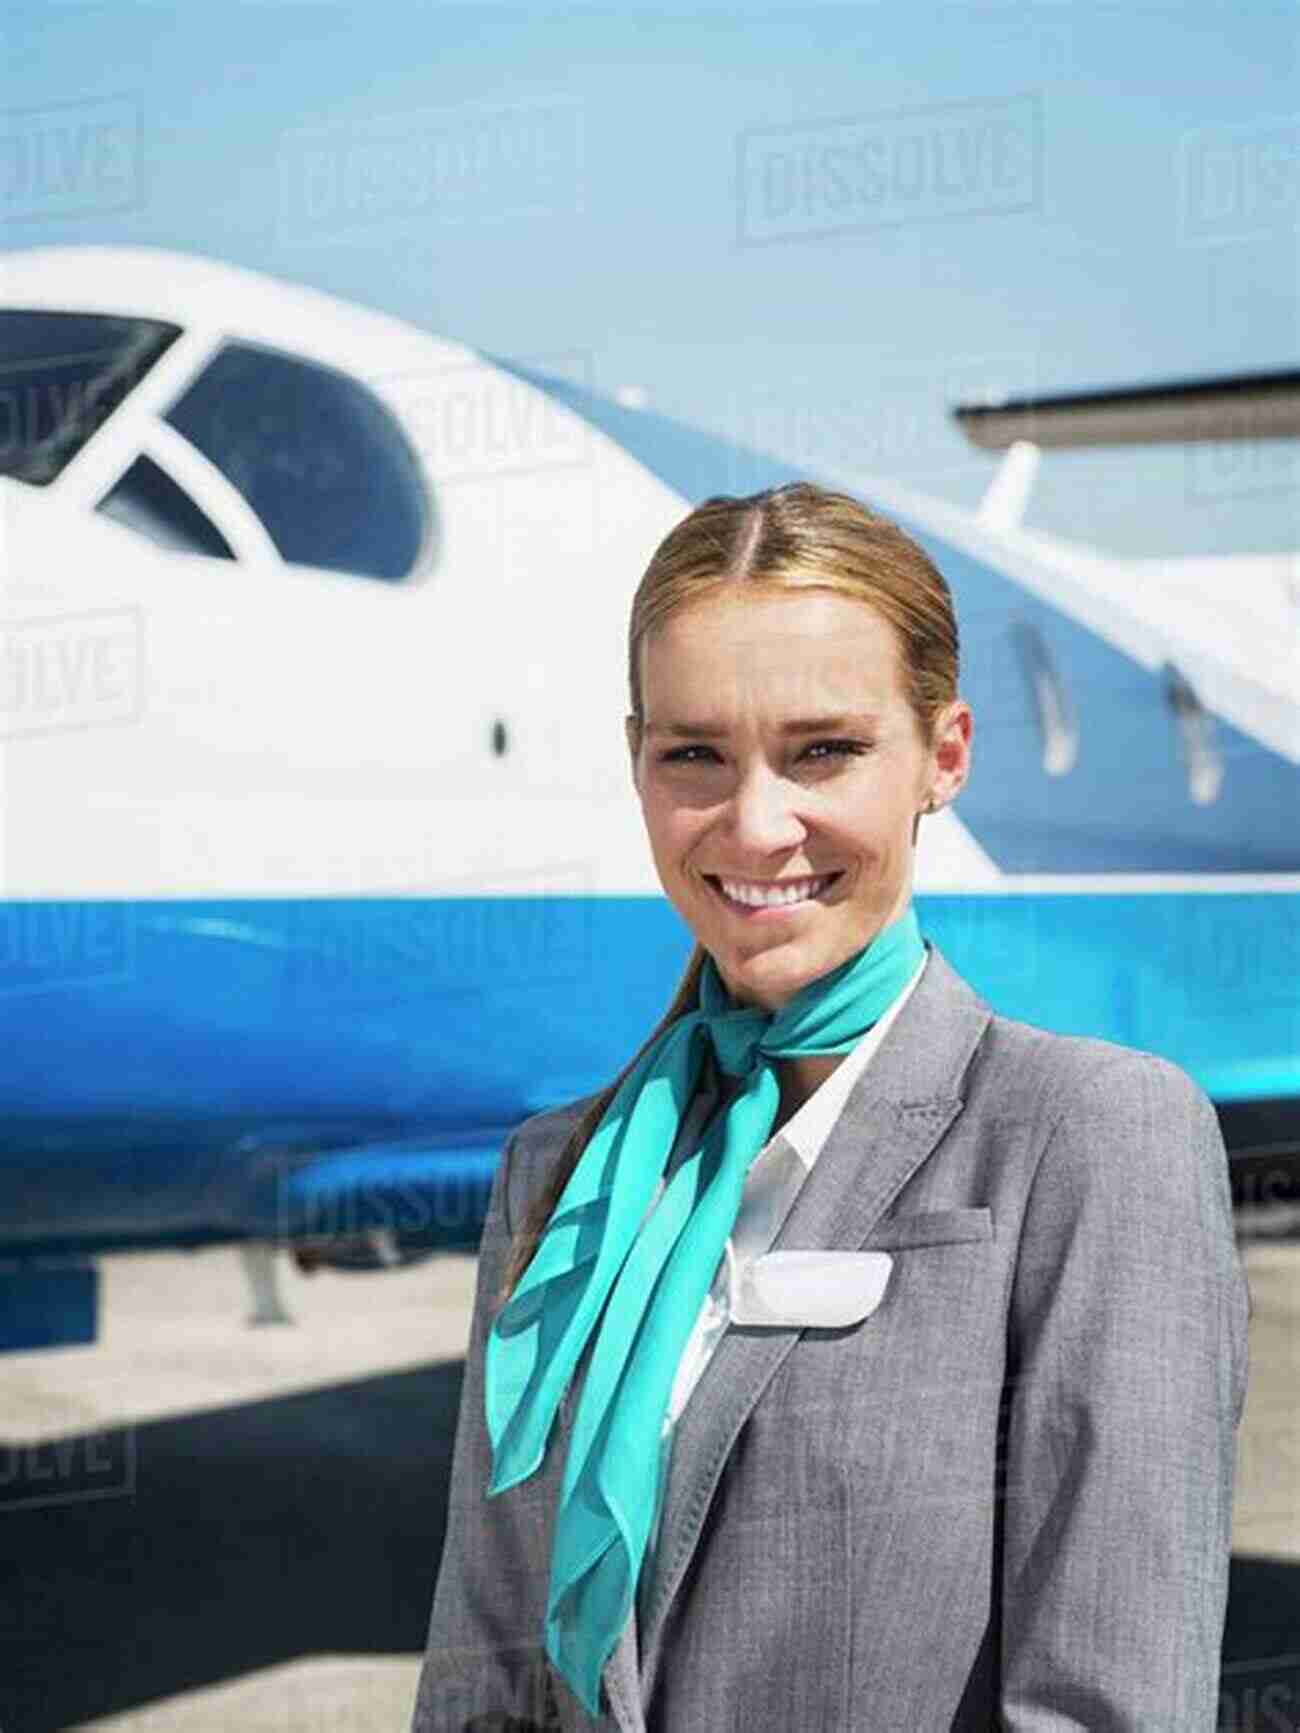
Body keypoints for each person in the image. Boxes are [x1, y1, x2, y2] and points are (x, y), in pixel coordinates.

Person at [411, 481, 1250, 1732]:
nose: (755, 824)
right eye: (692, 753)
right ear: (635, 763)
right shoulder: (560, 1173)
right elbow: (480, 1677)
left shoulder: (1086, 1137)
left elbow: (1105, 1702)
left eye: (823, 751)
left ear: (942, 756)